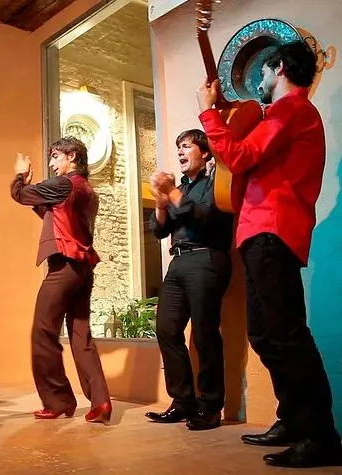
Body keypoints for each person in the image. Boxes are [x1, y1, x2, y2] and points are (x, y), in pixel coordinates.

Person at [197, 40, 342, 467]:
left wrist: (208, 112)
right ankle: (294, 420)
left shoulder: (291, 110)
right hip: (261, 232)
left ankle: (321, 435)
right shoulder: (282, 114)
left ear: (278, 68)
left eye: (262, 73)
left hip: (272, 231)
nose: (259, 82)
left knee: (286, 334)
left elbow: (240, 156)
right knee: (264, 334)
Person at [10, 137, 111, 424]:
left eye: (56, 156)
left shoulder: (66, 184)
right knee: (81, 336)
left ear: (73, 156)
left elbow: (21, 195)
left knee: (42, 332)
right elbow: (55, 215)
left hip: (64, 268)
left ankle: (57, 400)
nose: (52, 163)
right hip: (83, 269)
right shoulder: (87, 190)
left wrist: (20, 175)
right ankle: (101, 402)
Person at [145, 129, 233, 430]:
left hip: (207, 258)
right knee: (167, 329)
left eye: (187, 147)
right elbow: (158, 231)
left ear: (205, 153)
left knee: (205, 333)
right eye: (178, 147)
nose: (181, 152)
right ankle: (183, 402)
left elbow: (203, 217)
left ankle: (210, 408)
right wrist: (159, 202)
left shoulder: (215, 182)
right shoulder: (180, 187)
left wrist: (170, 193)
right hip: (179, 261)